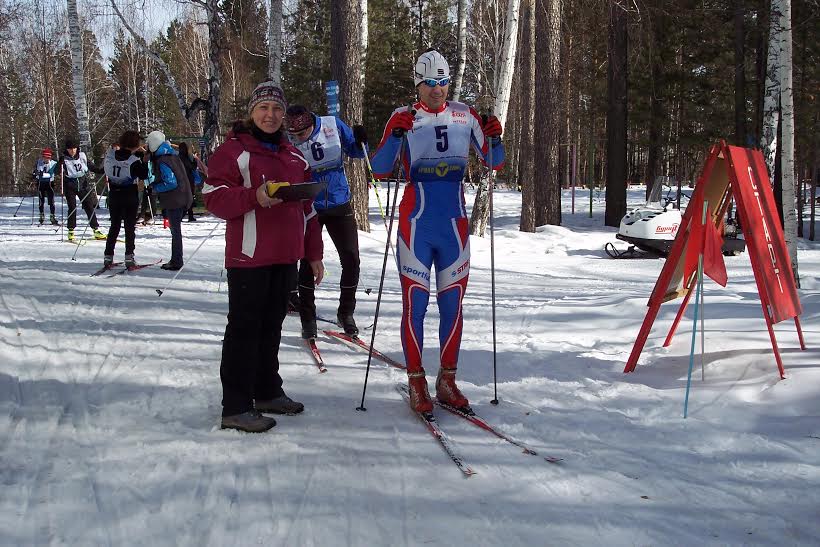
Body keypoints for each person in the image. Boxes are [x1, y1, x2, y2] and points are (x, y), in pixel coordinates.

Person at [370, 49, 505, 413]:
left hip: (454, 229)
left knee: (452, 307)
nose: (437, 90)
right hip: (416, 225)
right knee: (415, 306)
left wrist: (495, 137)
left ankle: (447, 381)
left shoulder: (465, 115)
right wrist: (396, 138)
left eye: (443, 82)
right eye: (430, 83)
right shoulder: (403, 116)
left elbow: (495, 161)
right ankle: (416, 382)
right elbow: (380, 168)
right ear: (418, 83)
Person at [203, 81, 324, 433]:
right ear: (252, 113)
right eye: (263, 109)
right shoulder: (234, 151)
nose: (270, 115)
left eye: (276, 109)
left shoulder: (294, 156)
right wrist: (254, 196)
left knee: (272, 326)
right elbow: (213, 198)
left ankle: (267, 391)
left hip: (286, 256)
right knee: (244, 330)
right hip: (249, 257)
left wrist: (313, 254)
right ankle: (236, 406)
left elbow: (309, 211)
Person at [285, 104, 367, 339]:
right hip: (309, 207)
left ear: (312, 124)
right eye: (293, 136)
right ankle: (307, 318)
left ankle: (346, 312)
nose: (298, 139)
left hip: (339, 202)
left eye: (301, 134)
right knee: (307, 262)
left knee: (351, 258)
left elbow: (356, 151)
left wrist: (362, 140)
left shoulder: (332, 124)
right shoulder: (290, 141)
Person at [145, 130, 193, 270]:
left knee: (175, 231)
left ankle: (176, 260)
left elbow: (171, 182)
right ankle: (176, 259)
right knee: (175, 230)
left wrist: (154, 188)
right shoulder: (172, 155)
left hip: (175, 200)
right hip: (183, 197)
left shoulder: (163, 160)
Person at [102, 131, 150, 269]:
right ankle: (129, 256)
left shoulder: (110, 155)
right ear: (135, 145)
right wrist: (145, 161)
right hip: (129, 195)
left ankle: (108, 255)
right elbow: (144, 174)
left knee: (114, 226)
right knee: (129, 227)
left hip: (114, 194)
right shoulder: (133, 161)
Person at [59, 138, 106, 241]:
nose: (72, 151)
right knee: (72, 207)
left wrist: (102, 170)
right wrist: (60, 164)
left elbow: (91, 166)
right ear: (67, 149)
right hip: (70, 185)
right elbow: (59, 172)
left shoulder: (82, 156)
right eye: (70, 149)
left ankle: (96, 229)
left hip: (83, 183)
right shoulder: (64, 159)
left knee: (89, 206)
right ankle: (71, 230)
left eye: (74, 148)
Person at [178, 142, 204, 222]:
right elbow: (192, 167)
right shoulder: (185, 157)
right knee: (189, 198)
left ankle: (185, 215)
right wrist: (195, 161)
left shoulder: (178, 157)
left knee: (183, 198)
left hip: (181, 179)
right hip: (188, 180)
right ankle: (187, 215)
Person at [32, 148, 58, 225]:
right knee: (41, 200)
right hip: (40, 183)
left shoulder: (53, 163)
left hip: (50, 183)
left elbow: (50, 174)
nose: (46, 159)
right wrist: (34, 174)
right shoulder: (38, 162)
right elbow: (35, 171)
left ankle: (52, 217)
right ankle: (41, 216)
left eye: (48, 158)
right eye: (45, 157)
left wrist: (40, 174)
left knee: (51, 201)